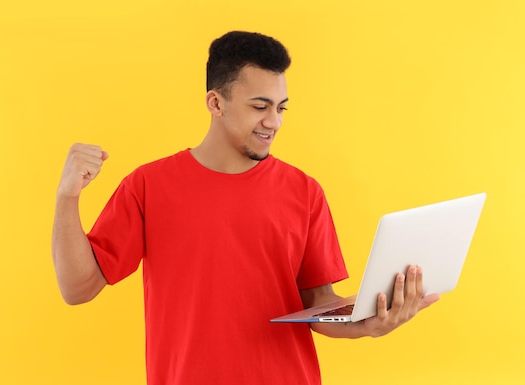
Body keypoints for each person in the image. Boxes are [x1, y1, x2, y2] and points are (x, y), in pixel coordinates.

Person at [52, 31, 440, 385]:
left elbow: (318, 305)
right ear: (215, 102)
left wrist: (367, 322)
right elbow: (77, 289)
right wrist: (68, 198)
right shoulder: (148, 186)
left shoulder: (304, 191)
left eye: (281, 108)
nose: (274, 122)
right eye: (260, 106)